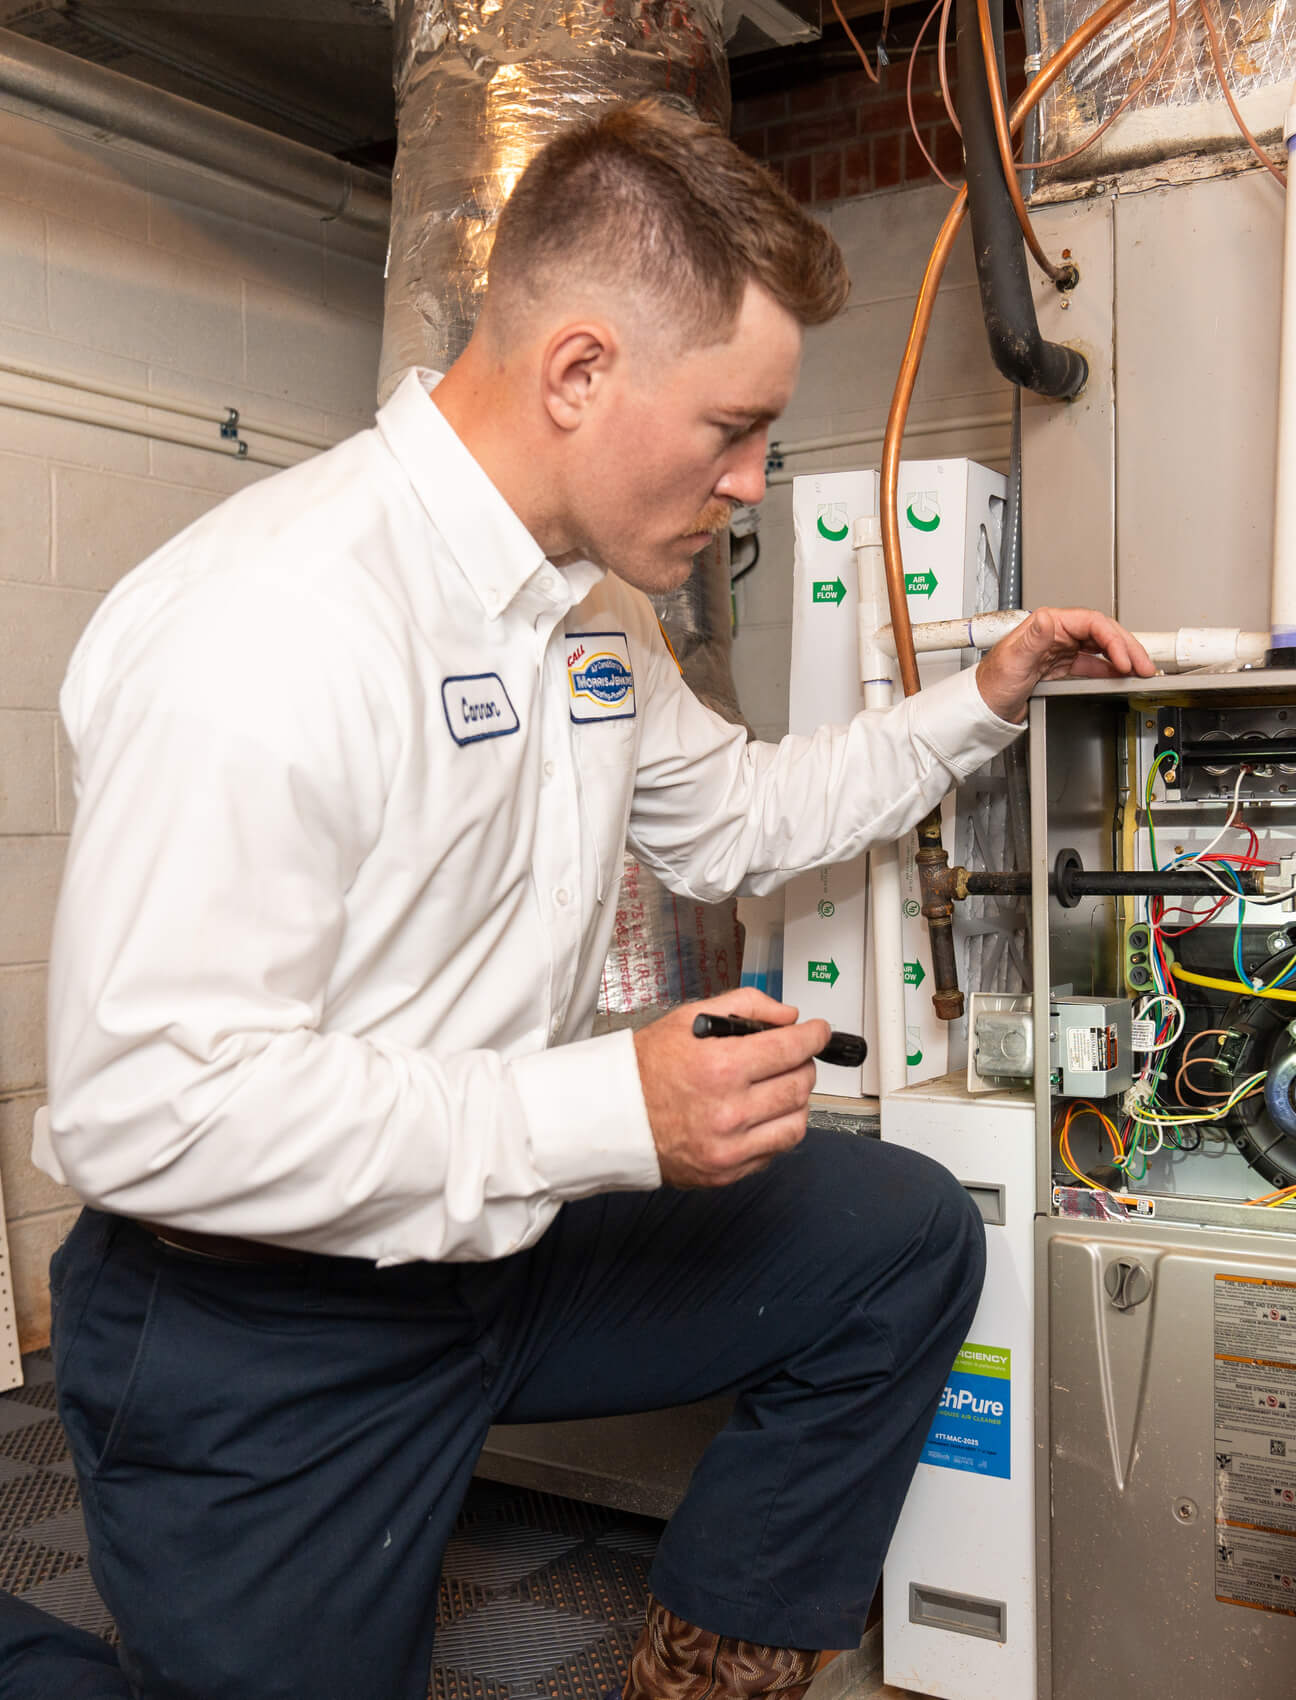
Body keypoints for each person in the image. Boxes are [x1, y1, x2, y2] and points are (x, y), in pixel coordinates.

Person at [8, 98, 1152, 1700]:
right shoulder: (272, 629)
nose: (756, 481)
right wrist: (608, 1109)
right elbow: (152, 1111)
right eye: (734, 429)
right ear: (579, 373)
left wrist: (985, 699)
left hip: (500, 1248)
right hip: (259, 1317)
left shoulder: (589, 610)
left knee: (893, 1237)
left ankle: (705, 1673)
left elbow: (745, 813)